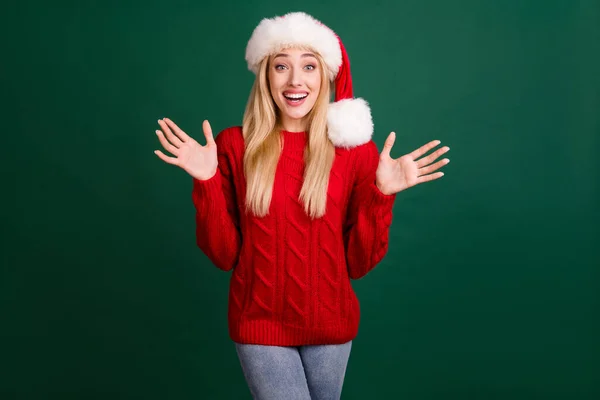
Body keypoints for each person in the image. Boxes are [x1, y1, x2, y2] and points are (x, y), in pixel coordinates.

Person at [154, 11, 450, 400]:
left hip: (331, 327)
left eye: (309, 66)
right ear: (266, 76)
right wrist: (206, 181)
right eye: (282, 66)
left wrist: (381, 194)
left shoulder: (354, 154)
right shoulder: (233, 147)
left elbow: (358, 264)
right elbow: (224, 255)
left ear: (324, 77)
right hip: (259, 323)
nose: (295, 80)